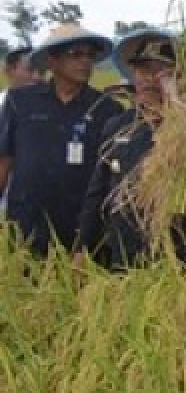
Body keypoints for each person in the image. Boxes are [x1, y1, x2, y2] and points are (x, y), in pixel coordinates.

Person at [76, 28, 186, 271]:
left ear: (179, 78)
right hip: (126, 257)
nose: (149, 78)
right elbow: (97, 193)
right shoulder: (118, 126)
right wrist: (82, 248)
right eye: (143, 69)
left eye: (162, 71)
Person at [0, 24, 124, 256]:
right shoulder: (20, 102)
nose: (85, 62)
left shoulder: (107, 108)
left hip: (82, 229)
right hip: (26, 222)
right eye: (76, 55)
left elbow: (113, 175)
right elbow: (4, 159)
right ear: (52, 61)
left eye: (90, 56)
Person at [1, 47, 38, 215]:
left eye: (41, 71)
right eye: (30, 70)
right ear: (9, 70)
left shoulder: (49, 110)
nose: (36, 77)